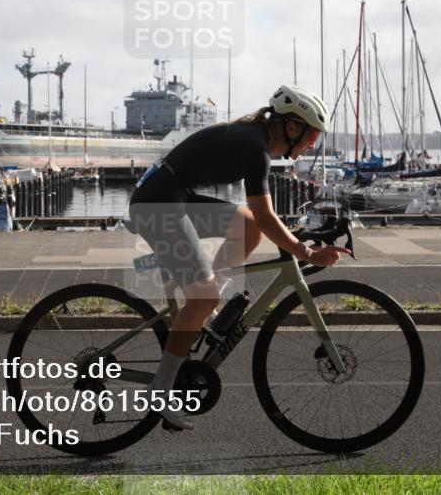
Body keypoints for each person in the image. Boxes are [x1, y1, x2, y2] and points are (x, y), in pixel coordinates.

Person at [128, 85, 351, 430]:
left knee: (247, 227)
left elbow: (260, 218)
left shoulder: (254, 140)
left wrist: (295, 238)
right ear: (292, 127)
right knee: (204, 294)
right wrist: (306, 252)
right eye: (312, 136)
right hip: (158, 205)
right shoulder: (255, 147)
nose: (312, 144)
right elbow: (267, 215)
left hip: (171, 197)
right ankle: (161, 388)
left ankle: (206, 307)